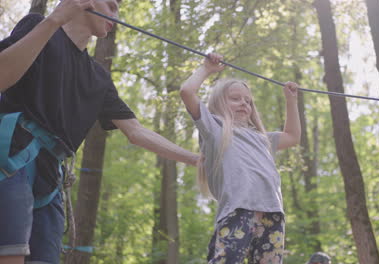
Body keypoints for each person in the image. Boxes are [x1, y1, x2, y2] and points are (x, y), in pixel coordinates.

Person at [0, 1, 198, 263]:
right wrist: (55, 20)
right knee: (11, 254)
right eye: (112, 5)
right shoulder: (39, 26)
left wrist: (196, 158)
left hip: (50, 180)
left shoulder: (98, 78)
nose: (116, 15)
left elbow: (136, 132)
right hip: (12, 158)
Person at [180, 53, 301, 264]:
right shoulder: (215, 128)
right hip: (238, 210)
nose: (244, 104)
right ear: (218, 103)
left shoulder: (262, 138)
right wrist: (207, 68)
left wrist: (291, 101)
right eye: (235, 99)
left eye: (248, 101)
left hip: (273, 213)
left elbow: (292, 136)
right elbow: (187, 92)